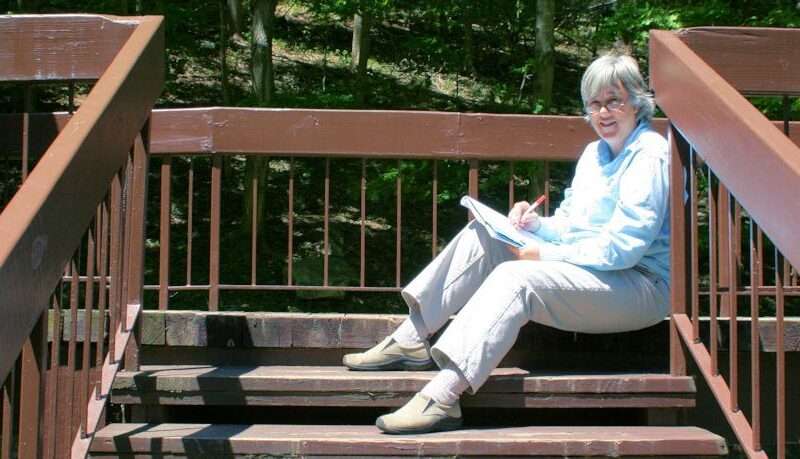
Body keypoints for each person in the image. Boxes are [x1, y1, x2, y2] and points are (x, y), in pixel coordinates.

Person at [342, 52, 671, 434]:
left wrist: (544, 253)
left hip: (640, 284)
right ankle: (412, 337)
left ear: (636, 100)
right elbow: (572, 224)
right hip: (596, 274)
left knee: (516, 278)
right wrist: (536, 226)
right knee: (485, 235)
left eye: (614, 100)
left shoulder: (650, 155)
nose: (604, 113)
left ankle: (444, 397)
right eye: (595, 104)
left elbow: (623, 249)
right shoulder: (594, 154)